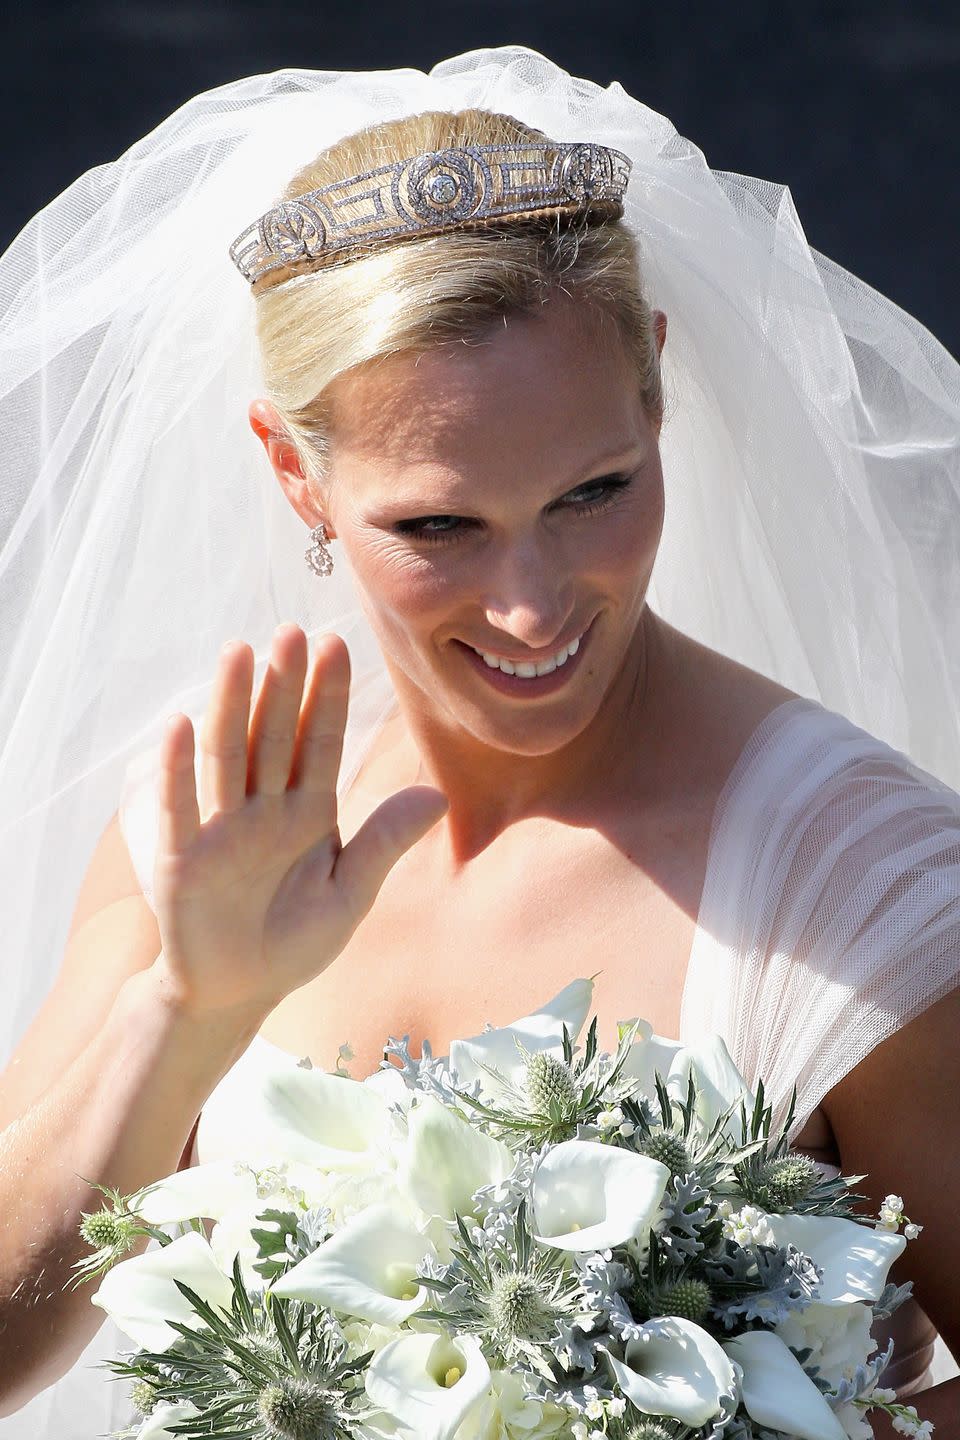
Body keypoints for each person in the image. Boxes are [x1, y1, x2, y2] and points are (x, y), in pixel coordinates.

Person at [0, 46, 958, 1440]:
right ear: (294, 472)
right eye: (438, 526)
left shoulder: (866, 891)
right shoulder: (212, 831)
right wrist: (185, 1015)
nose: (530, 606)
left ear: (656, 393)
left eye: (594, 493)